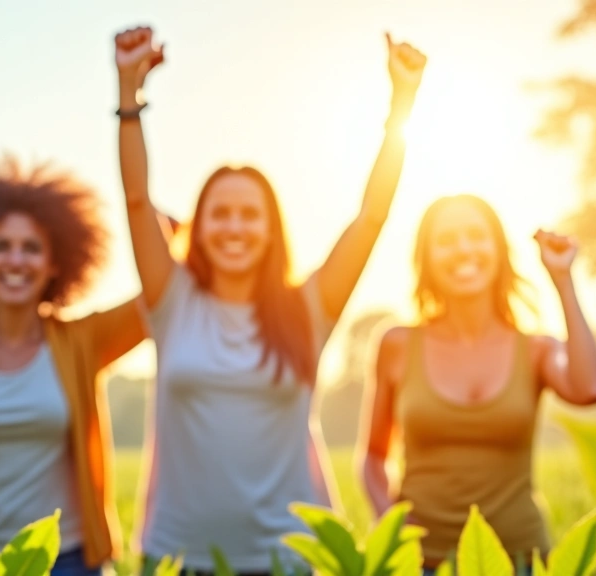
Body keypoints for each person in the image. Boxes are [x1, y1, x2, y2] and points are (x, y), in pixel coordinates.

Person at [111, 25, 426, 575]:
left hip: (288, 556)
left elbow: (370, 219)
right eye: (221, 213)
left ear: (272, 228)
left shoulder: (309, 310)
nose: (235, 227)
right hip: (179, 556)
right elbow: (137, 201)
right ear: (199, 227)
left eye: (249, 214)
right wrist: (128, 97)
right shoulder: (172, 300)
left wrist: (400, 106)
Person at [357, 195, 596, 570]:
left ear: (499, 250)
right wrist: (393, 531)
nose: (463, 249)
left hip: (521, 558)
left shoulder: (537, 349)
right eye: (446, 240)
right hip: (423, 562)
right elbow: (374, 458)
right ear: (426, 259)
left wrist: (562, 279)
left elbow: (589, 389)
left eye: (476, 236)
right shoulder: (397, 345)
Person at [0, 159, 145, 576]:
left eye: (32, 247)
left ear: (55, 263)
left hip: (70, 559)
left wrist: (165, 232)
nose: (16, 260)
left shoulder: (81, 340)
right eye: (1, 246)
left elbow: (158, 295)